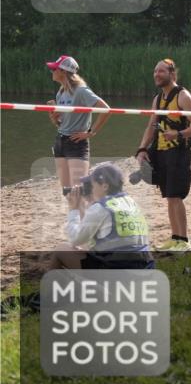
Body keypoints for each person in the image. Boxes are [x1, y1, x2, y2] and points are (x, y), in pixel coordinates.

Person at [134, 59, 191, 251]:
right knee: (169, 197)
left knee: (176, 196)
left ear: (172, 74)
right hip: (161, 153)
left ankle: (184, 241)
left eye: (161, 71)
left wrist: (178, 134)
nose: (157, 74)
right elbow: (151, 126)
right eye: (155, 71)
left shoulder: (183, 96)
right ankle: (175, 238)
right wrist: (141, 149)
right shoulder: (157, 99)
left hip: (179, 152)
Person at [50, 163, 153, 270]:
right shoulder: (131, 202)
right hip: (144, 270)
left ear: (105, 186)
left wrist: (73, 209)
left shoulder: (101, 208)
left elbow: (75, 239)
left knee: (61, 250)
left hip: (118, 274)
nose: (91, 189)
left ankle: (48, 285)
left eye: (93, 185)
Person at [45, 55, 111, 197]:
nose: (52, 72)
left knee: (79, 190)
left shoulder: (81, 91)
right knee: (67, 191)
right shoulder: (61, 92)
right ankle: (73, 219)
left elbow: (106, 109)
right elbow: (60, 123)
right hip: (60, 141)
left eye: (54, 69)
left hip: (76, 143)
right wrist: (53, 115)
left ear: (63, 71)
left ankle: (83, 218)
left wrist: (91, 132)